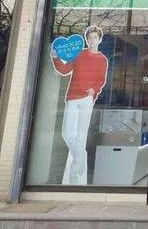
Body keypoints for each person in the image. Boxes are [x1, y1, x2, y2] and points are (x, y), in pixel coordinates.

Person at [51, 25, 108, 185]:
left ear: (99, 39)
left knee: (82, 134)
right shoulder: (79, 54)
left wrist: (94, 90)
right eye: (89, 37)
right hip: (72, 96)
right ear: (86, 39)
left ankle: (75, 172)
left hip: (87, 98)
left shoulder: (102, 59)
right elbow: (64, 69)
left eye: (95, 37)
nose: (92, 40)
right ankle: (80, 157)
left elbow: (101, 79)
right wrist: (55, 58)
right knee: (67, 133)